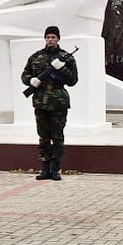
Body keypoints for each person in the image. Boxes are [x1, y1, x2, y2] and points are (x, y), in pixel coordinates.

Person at [21, 25, 78, 180]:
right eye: (48, 37)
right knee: (43, 137)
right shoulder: (36, 57)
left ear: (58, 39)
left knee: (57, 136)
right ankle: (45, 169)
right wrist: (30, 80)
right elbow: (25, 74)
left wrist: (62, 69)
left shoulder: (66, 57)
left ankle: (55, 170)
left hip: (58, 102)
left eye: (53, 37)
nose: (50, 40)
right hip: (40, 102)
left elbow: (73, 80)